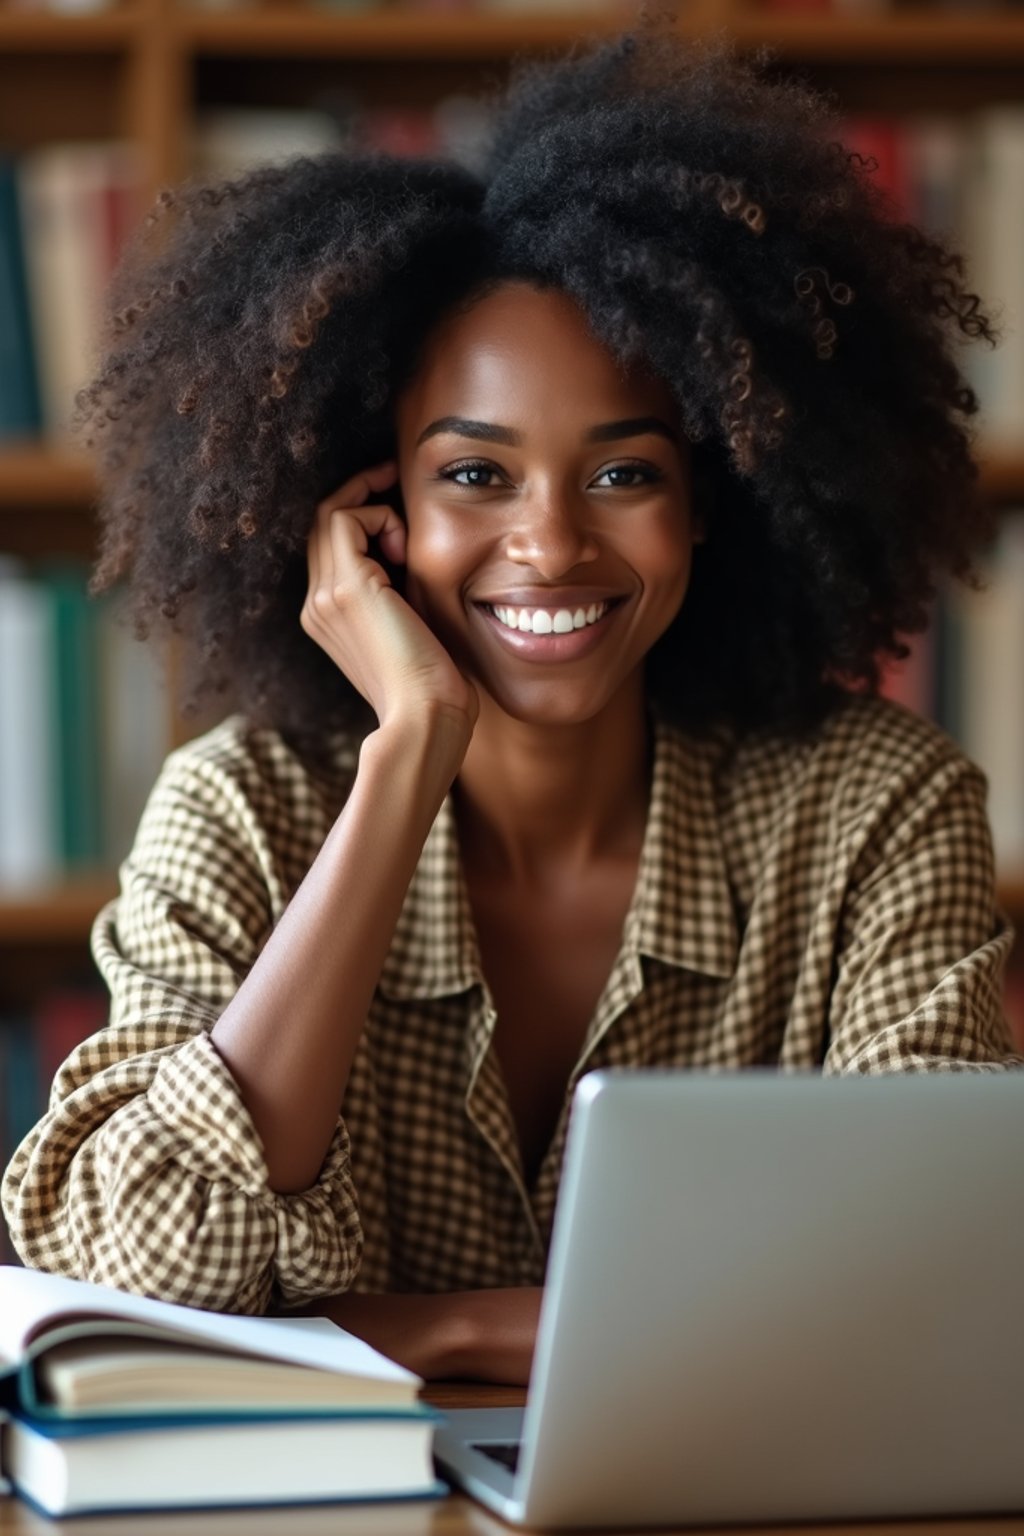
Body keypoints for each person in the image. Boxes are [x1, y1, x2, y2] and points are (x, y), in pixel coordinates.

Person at [2, 29, 1021, 1384]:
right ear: (374, 512)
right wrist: (409, 752)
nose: (549, 548)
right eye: (476, 479)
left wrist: (450, 1330)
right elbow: (123, 1269)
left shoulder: (872, 814)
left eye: (622, 477)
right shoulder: (243, 811)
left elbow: (949, 1275)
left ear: (711, 504)